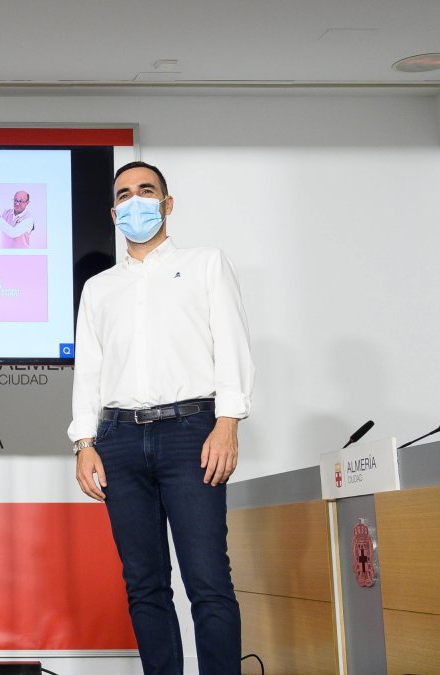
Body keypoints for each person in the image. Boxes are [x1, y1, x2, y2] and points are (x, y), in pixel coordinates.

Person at [69, 162, 254, 674]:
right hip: (118, 440)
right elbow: (90, 369)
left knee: (208, 580)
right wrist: (84, 442)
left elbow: (232, 346)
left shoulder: (206, 264)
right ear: (113, 213)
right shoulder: (99, 288)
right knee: (145, 584)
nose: (135, 202)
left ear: (168, 204)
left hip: (192, 432)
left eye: (146, 191)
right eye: (124, 195)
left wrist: (228, 421)